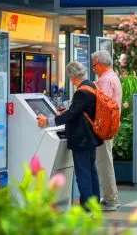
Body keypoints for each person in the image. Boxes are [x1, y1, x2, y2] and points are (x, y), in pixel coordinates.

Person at [37, 61, 102, 209]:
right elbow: (78, 111)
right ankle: (95, 204)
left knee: (83, 174)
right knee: (91, 172)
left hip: (82, 139)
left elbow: (71, 115)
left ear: (72, 77)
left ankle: (87, 208)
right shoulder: (92, 87)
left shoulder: (81, 92)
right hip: (91, 137)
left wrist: (47, 121)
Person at [91, 50, 122, 211]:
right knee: (105, 161)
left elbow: (102, 106)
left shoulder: (104, 81)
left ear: (101, 64)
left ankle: (111, 200)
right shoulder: (113, 77)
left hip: (103, 128)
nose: (93, 68)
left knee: (104, 163)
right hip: (111, 127)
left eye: (94, 65)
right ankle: (111, 197)